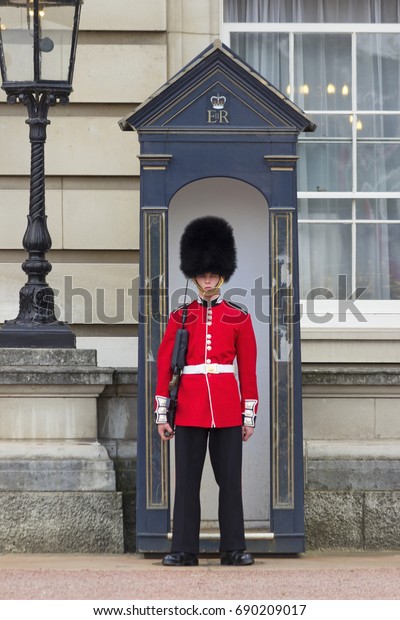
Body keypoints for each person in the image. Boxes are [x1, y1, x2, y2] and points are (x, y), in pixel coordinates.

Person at [154, 216, 258, 567]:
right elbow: (165, 368)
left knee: (230, 483)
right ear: (195, 275)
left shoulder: (239, 318)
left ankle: (233, 548)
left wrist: (248, 415)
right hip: (190, 410)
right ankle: (184, 549)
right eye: (203, 274)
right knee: (187, 483)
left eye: (213, 274)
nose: (208, 280)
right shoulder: (179, 318)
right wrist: (162, 413)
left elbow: (248, 371)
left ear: (222, 275)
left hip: (227, 409)